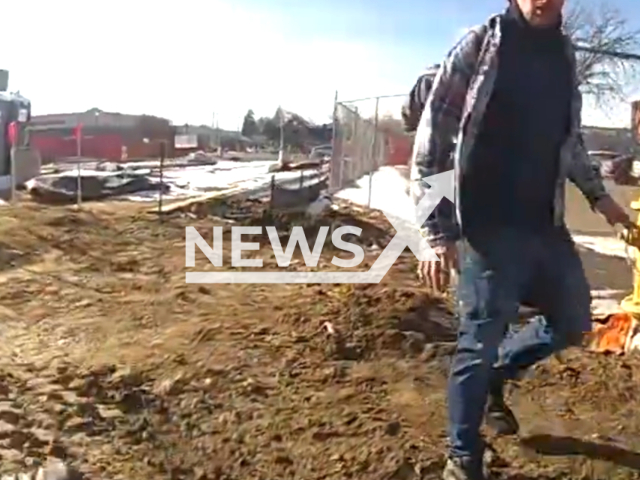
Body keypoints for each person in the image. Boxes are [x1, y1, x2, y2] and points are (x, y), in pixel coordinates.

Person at [410, 0, 633, 479]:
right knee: (479, 336)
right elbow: (434, 140)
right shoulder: (481, 45)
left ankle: (497, 375)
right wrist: (435, 230)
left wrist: (602, 200)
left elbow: (567, 141)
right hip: (487, 226)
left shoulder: (563, 55)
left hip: (543, 223)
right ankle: (462, 458)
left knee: (573, 320)